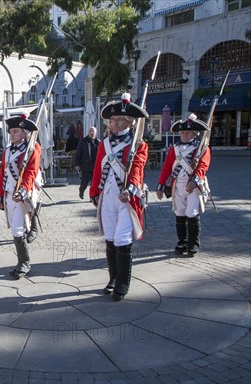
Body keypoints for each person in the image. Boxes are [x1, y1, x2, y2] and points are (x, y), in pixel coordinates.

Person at [90, 93, 148, 302]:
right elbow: (98, 169)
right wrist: (94, 192)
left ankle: (123, 282)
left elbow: (138, 169)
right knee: (110, 238)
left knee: (123, 239)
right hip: (107, 195)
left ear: (130, 122)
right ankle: (113, 278)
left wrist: (131, 189)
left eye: (118, 120)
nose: (113, 123)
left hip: (126, 197)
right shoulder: (104, 143)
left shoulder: (138, 144)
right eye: (112, 120)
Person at [156, 113, 210, 257]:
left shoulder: (201, 148)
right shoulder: (175, 148)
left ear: (194, 133)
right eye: (182, 132)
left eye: (188, 132)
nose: (184, 135)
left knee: (191, 213)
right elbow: (167, 167)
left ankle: (193, 244)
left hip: (193, 186)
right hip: (177, 186)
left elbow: (203, 166)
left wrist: (196, 180)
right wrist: (161, 185)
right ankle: (182, 242)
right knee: (179, 213)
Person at [0, 114, 42, 279]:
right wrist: (0, 195)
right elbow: (3, 174)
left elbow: (31, 173)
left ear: (25, 133)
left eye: (15, 131)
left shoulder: (31, 151)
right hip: (9, 194)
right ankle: (22, 262)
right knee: (14, 229)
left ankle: (24, 262)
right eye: (11, 131)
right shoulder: (7, 151)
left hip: (22, 196)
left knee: (17, 229)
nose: (12, 134)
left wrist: (23, 191)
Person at [74, 127, 99, 200]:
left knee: (94, 183)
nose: (92, 133)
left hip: (95, 166)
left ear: (96, 133)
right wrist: (77, 164)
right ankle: (81, 190)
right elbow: (78, 153)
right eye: (91, 131)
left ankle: (92, 197)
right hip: (86, 165)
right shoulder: (83, 141)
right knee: (85, 181)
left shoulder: (98, 142)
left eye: (93, 131)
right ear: (88, 132)